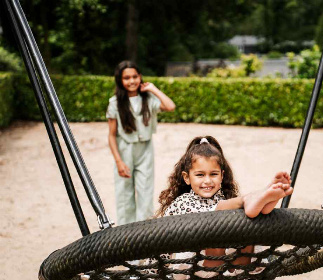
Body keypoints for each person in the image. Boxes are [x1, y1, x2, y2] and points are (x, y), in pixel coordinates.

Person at [156, 136, 293, 278]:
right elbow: (162, 243)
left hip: (229, 270)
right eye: (200, 175)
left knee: (243, 222)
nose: (207, 181)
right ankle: (250, 199)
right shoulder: (182, 202)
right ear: (186, 177)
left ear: (222, 176)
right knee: (215, 219)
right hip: (189, 269)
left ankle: (263, 206)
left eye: (213, 174)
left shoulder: (225, 201)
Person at [107, 60, 175, 225]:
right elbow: (111, 135)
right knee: (124, 195)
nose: (131, 81)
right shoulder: (115, 103)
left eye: (135, 76)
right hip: (124, 150)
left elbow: (170, 106)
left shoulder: (149, 99)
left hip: (145, 149)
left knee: (145, 192)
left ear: (140, 77)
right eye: (127, 78)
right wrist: (119, 161)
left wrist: (153, 88)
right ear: (120, 81)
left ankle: (143, 234)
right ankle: (125, 235)